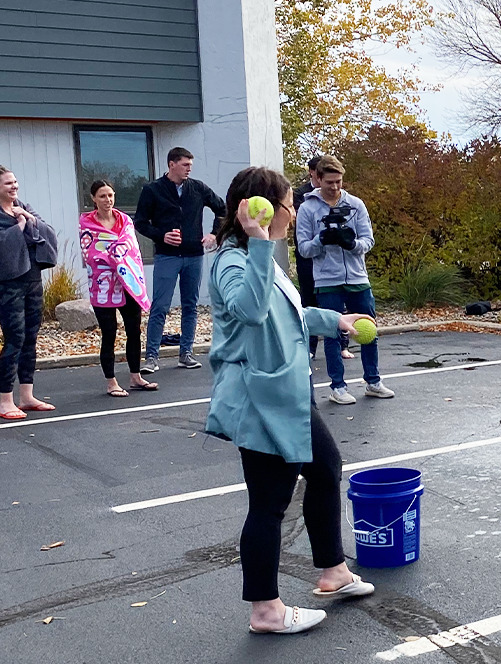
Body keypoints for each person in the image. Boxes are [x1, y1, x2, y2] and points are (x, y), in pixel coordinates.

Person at [207, 166, 376, 634]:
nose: (295, 210)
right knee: (268, 504)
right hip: (260, 402)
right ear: (261, 210)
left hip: (288, 394)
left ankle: (333, 573)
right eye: (289, 203)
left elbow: (289, 313)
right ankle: (266, 610)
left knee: (325, 469)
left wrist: (333, 321)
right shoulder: (234, 260)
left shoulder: (261, 257)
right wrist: (259, 239)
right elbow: (251, 310)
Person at [296, 155, 394, 404]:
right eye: (330, 182)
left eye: (339, 181)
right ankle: (337, 386)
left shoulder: (356, 204)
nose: (335, 187)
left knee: (369, 328)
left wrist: (351, 244)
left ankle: (373, 380)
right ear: (318, 179)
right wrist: (322, 240)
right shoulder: (308, 208)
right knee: (332, 331)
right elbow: (304, 249)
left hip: (358, 277)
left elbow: (368, 241)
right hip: (327, 280)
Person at [134, 146, 226, 374]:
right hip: (167, 256)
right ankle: (152, 357)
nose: (189, 170)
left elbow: (222, 208)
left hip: (194, 255)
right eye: (185, 165)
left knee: (190, 305)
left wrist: (214, 234)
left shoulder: (197, 188)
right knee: (160, 306)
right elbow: (140, 222)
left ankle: (186, 353)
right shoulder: (152, 190)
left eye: (190, 166)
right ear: (171, 164)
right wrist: (161, 235)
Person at [80, 180, 159, 397]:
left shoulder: (125, 220)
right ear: (93, 199)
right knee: (109, 332)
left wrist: (118, 255)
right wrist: (113, 255)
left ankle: (135, 376)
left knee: (134, 329)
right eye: (103, 196)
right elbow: (91, 253)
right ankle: (111, 381)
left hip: (127, 281)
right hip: (103, 284)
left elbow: (132, 248)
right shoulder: (87, 224)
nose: (108, 200)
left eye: (111, 195)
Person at [0, 166, 59, 420]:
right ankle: (5, 400)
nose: (14, 187)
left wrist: (29, 219)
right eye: (7, 184)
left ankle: (26, 395)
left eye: (15, 182)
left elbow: (46, 231)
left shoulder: (23, 206)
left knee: (31, 337)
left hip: (32, 278)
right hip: (8, 283)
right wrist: (20, 227)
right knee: (15, 338)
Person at [291, 156, 350, 359]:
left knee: (337, 301)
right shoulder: (300, 195)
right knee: (309, 300)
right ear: (313, 174)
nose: (333, 186)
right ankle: (310, 346)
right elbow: (302, 228)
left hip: (332, 258)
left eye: (337, 181)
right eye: (323, 176)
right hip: (307, 256)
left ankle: (343, 344)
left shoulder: (346, 200)